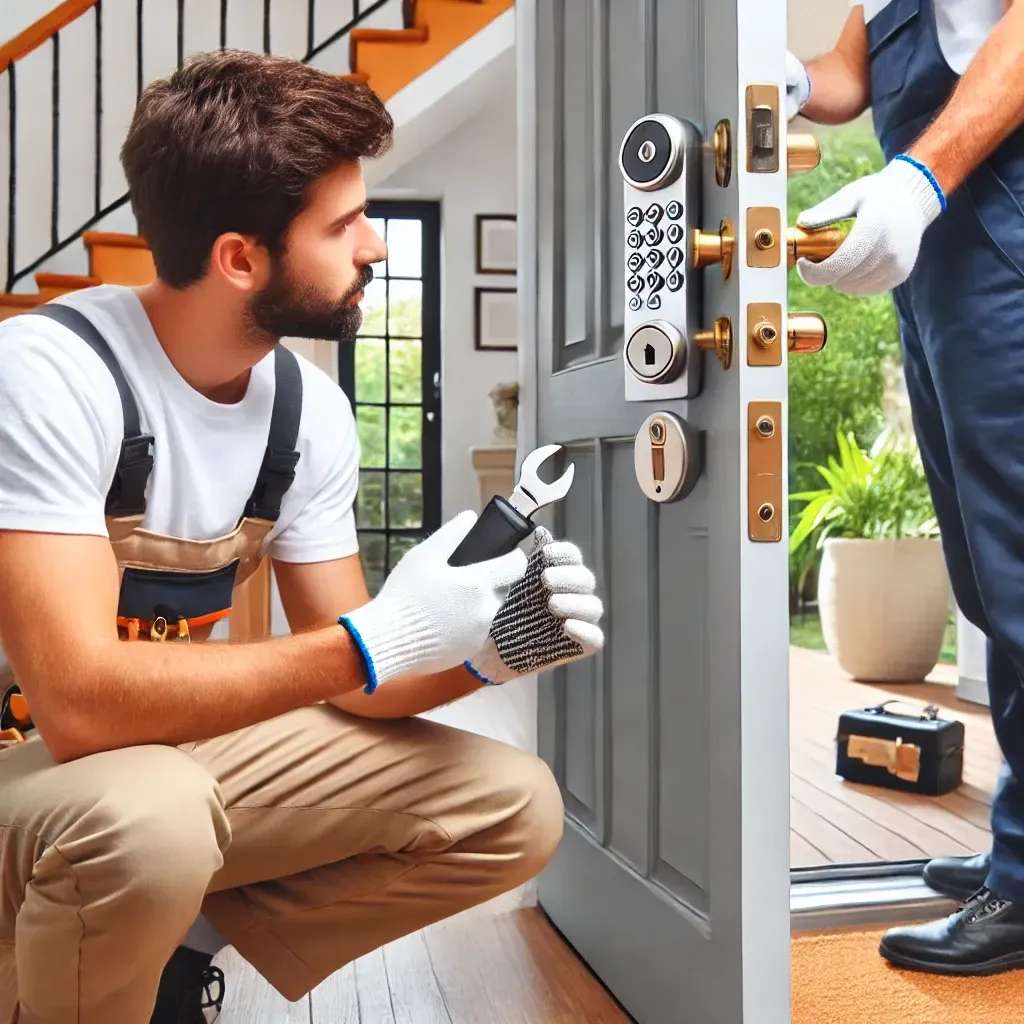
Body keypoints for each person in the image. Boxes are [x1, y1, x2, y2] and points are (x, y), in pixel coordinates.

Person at [0, 50, 605, 1024]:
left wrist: (486, 654)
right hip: (31, 779)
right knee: (148, 812)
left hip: (146, 772)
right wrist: (373, 639)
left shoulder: (305, 411)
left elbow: (364, 679)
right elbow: (74, 706)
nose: (374, 245)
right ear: (241, 257)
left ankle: (165, 958)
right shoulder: (47, 376)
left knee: (511, 805)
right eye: (344, 224)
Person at [787, 0, 1024, 976]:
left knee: (1019, 574)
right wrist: (788, 83)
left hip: (1002, 251)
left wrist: (919, 175)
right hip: (932, 281)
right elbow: (854, 71)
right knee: (985, 579)